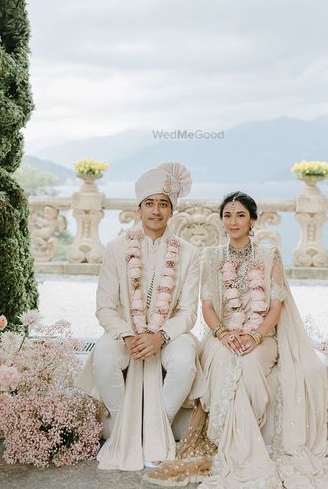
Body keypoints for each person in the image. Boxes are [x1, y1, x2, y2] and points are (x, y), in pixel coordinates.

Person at [147, 191, 328, 488]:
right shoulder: (211, 256)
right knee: (225, 361)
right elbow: (208, 306)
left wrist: (254, 335)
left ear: (252, 219)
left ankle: (241, 450)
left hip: (261, 336)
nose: (233, 221)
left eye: (240, 215)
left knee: (247, 367)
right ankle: (232, 447)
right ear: (221, 220)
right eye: (227, 215)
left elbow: (275, 307)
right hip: (220, 336)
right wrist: (223, 334)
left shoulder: (267, 254)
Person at [75, 162, 204, 471]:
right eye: (149, 204)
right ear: (139, 208)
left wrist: (161, 336)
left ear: (172, 211)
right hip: (126, 333)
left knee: (185, 361)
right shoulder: (118, 248)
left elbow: (188, 312)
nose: (156, 211)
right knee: (104, 357)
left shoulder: (188, 253)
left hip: (169, 334)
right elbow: (104, 306)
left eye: (163, 204)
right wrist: (129, 335)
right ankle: (122, 429)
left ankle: (158, 429)